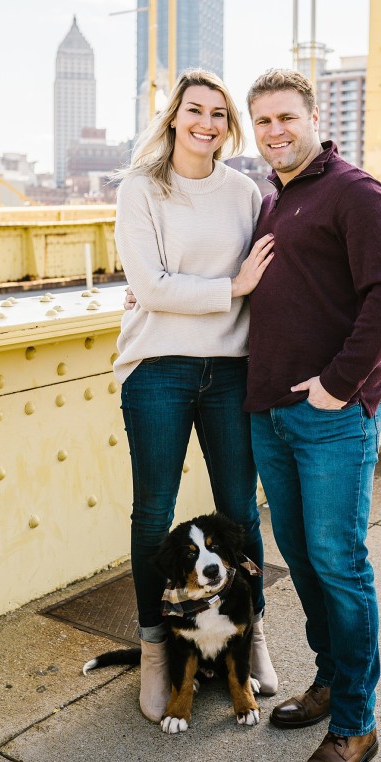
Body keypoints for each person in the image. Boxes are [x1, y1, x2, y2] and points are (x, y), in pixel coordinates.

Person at [244, 69, 381, 762]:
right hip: (271, 416)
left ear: (314, 116)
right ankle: (328, 678)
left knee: (339, 563)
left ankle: (356, 722)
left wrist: (338, 386)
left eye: (286, 117)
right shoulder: (275, 200)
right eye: (262, 122)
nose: (275, 131)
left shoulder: (354, 191)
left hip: (332, 419)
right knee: (305, 560)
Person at [113, 68, 278, 725]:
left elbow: (276, 268)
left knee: (240, 507)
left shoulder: (247, 192)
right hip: (157, 365)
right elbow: (150, 288)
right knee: (153, 510)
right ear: (174, 118)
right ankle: (156, 648)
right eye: (193, 111)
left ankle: (253, 633)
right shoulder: (140, 188)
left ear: (228, 125)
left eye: (218, 113)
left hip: (230, 368)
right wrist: (229, 288)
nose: (205, 123)